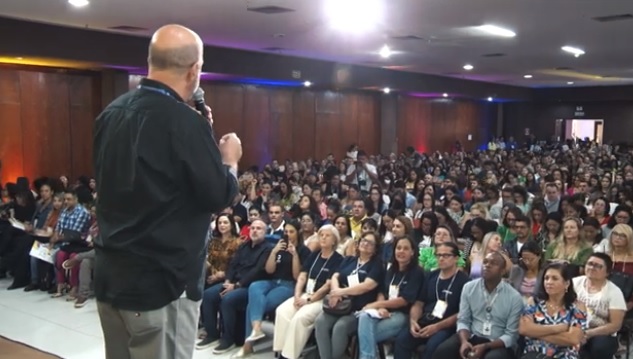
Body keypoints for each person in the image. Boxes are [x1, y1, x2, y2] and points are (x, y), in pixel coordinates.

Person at [92, 24, 242, 359]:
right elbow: (218, 195)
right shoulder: (186, 124)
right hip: (161, 284)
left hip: (112, 275)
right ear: (195, 70)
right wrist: (229, 161)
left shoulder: (110, 113)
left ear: (151, 62)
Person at [432, 251, 523, 359]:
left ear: (502, 271)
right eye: (485, 262)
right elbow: (463, 320)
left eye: (493, 263)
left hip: (497, 342)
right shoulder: (469, 288)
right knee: (443, 350)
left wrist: (486, 346)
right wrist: (464, 341)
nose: (487, 265)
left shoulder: (514, 297)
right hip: (472, 335)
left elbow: (511, 336)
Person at [394, 241, 470, 359]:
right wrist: (413, 321)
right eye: (438, 255)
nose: (441, 259)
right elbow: (419, 303)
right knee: (402, 339)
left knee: (432, 347)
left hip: (447, 326)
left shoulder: (465, 282)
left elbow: (462, 314)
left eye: (446, 255)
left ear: (455, 258)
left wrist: (437, 327)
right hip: (426, 320)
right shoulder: (431, 276)